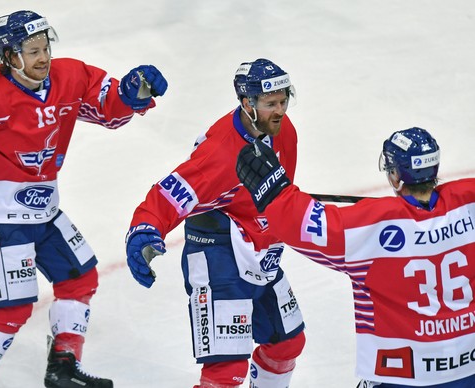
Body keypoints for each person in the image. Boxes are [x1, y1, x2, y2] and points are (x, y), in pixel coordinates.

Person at [0, 10, 167, 388]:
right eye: (32, 51)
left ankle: (63, 369)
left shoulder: (70, 76)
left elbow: (107, 108)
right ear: (9, 56)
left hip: (44, 207)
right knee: (12, 305)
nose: (43, 58)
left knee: (80, 277)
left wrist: (129, 93)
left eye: (44, 48)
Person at [235, 128, 475, 387]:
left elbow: (303, 225)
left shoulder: (372, 225)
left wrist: (274, 190)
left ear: (395, 176)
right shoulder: (468, 203)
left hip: (400, 375)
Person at [125, 58, 306, 388]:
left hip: (258, 248)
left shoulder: (284, 131)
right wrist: (145, 229)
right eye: (270, 104)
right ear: (246, 102)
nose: (280, 111)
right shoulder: (220, 154)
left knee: (287, 343)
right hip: (215, 252)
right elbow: (168, 194)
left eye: (283, 101)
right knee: (226, 370)